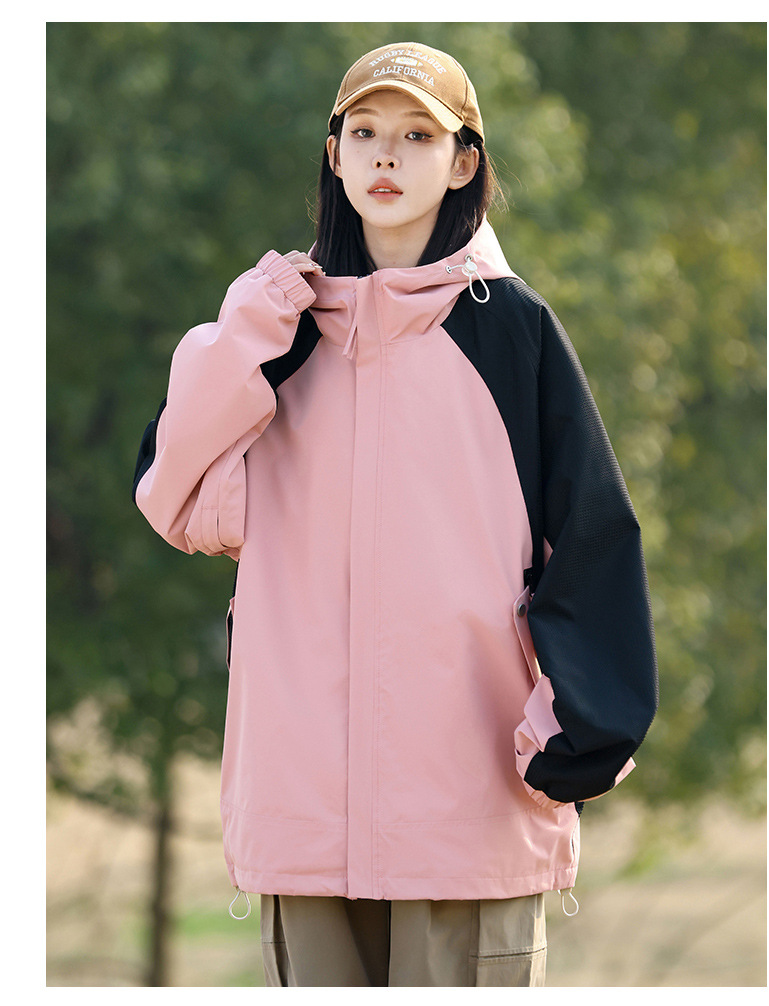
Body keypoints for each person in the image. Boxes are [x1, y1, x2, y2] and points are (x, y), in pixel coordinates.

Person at [133, 41, 659, 988]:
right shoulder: (278, 336)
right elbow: (174, 497)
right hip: (302, 809)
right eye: (366, 132)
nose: (387, 154)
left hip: (470, 804)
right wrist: (252, 325)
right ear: (334, 156)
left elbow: (591, 537)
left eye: (419, 135)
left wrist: (581, 730)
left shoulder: (513, 330)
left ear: (463, 164)